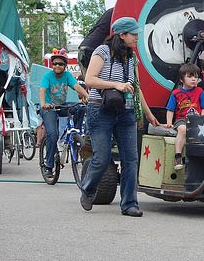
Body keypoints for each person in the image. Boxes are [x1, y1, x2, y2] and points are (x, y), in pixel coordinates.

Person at [80, 16, 160, 217]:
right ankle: (88, 189)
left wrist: (149, 114)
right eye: (133, 34)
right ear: (122, 34)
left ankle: (129, 204)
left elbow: (137, 88)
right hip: (100, 110)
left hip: (126, 112)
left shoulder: (132, 58)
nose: (136, 38)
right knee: (102, 157)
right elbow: (89, 79)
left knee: (131, 159)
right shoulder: (102, 51)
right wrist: (115, 85)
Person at [39, 48, 90, 177]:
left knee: (80, 108)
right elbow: (42, 90)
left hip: (61, 106)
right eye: (55, 63)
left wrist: (87, 96)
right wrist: (43, 104)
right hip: (49, 108)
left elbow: (77, 86)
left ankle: (76, 133)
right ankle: (49, 166)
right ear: (52, 65)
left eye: (60, 64)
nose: (57, 66)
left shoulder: (67, 76)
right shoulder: (47, 76)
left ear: (65, 66)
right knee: (53, 134)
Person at [166, 63, 204, 170]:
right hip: (181, 120)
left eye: (196, 76)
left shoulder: (200, 91)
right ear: (182, 79)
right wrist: (169, 122)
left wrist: (201, 118)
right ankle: (178, 156)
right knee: (183, 129)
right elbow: (170, 110)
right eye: (190, 76)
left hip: (197, 120)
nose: (193, 79)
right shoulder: (176, 93)